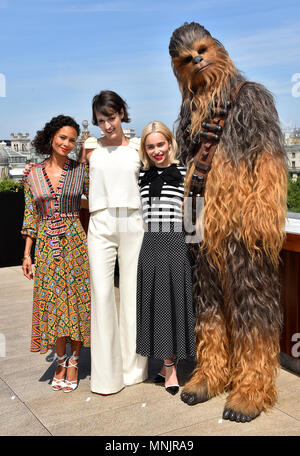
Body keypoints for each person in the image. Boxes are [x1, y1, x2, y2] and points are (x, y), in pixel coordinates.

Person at [80, 90, 148, 395]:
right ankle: (106, 376)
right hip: (100, 221)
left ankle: (134, 371)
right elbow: (78, 182)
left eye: (111, 117)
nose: (107, 125)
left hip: (134, 221)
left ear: (122, 112)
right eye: (101, 120)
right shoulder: (89, 147)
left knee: (134, 294)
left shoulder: (138, 148)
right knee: (103, 294)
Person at [22, 115, 90, 393]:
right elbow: (29, 215)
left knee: (74, 305)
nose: (67, 143)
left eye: (72, 140)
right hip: (47, 249)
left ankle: (74, 362)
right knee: (52, 306)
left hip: (75, 244)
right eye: (63, 137)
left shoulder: (81, 171)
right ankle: (60, 360)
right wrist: (27, 254)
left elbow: (96, 201)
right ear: (51, 137)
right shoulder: (32, 174)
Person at [136, 121, 195, 395]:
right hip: (150, 243)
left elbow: (197, 218)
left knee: (173, 305)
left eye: (161, 144)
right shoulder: (140, 176)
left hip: (176, 243)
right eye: (151, 146)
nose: (157, 150)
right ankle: (167, 365)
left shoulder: (185, 173)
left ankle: (169, 366)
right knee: (155, 305)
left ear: (170, 143)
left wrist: (194, 249)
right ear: (145, 149)